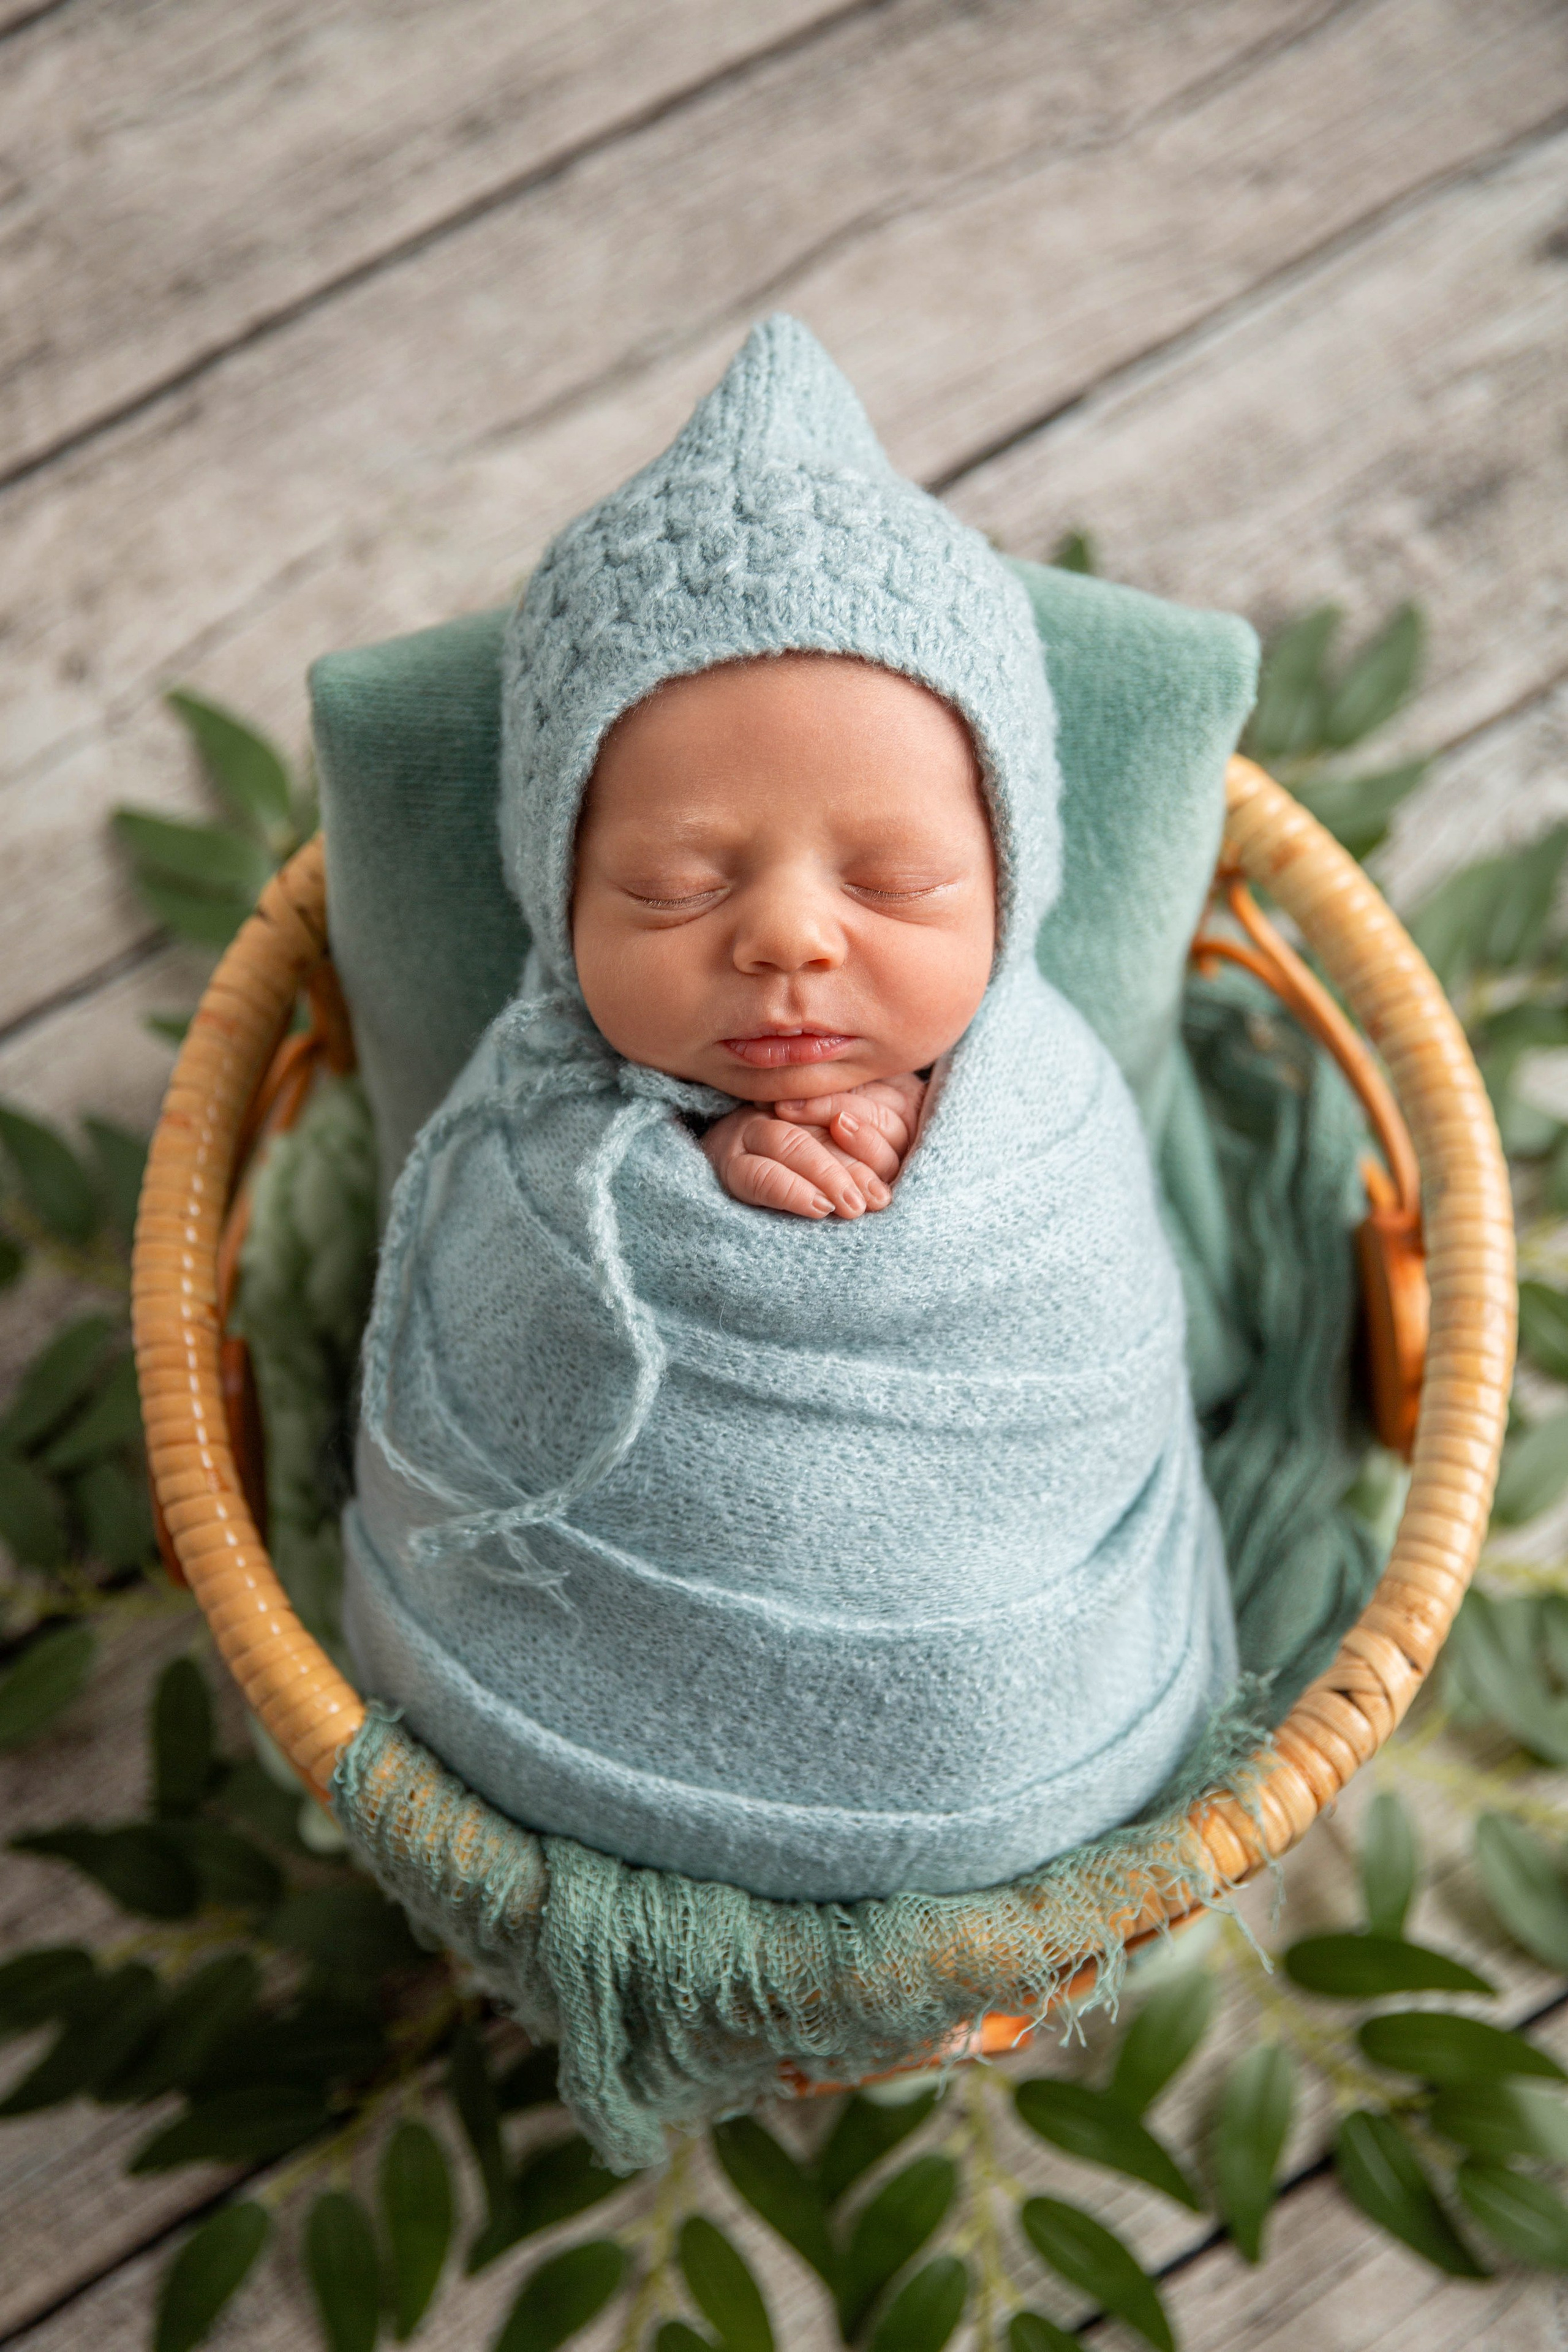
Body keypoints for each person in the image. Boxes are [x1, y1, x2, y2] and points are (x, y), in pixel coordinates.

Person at [345, 315, 1237, 1903]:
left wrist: (927, 1186)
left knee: (1002, 1685)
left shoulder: (1043, 1096)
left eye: (894, 881)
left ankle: (979, 1776)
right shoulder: (535, 1108)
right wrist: (698, 1177)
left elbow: (1090, 1327)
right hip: (586, 1703)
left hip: (1020, 1701)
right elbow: (503, 1334)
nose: (790, 941)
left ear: (1013, 872)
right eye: (678, 886)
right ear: (554, 893)